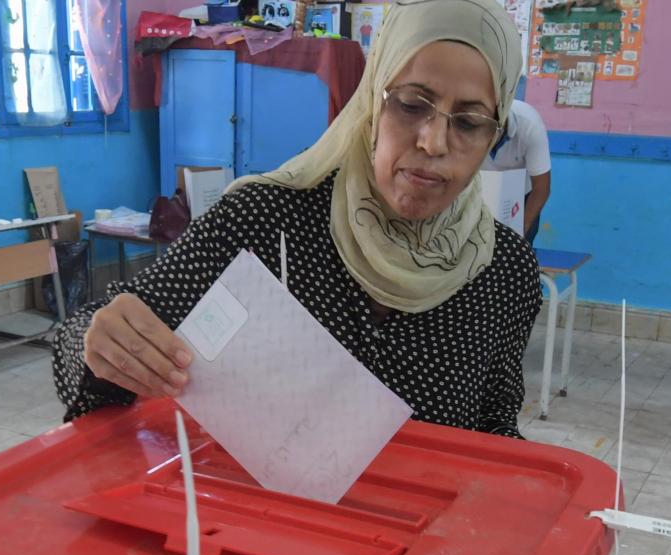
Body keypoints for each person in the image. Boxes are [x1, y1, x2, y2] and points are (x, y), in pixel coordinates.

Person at [53, 0, 542, 438]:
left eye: (469, 122)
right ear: (373, 101)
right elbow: (81, 342)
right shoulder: (262, 223)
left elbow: (495, 426)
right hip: (255, 529)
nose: (433, 142)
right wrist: (100, 343)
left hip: (415, 533)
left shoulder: (503, 271)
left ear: (493, 134)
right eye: (412, 105)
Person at [481, 99, 551, 244]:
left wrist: (520, 231)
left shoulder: (530, 126)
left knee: (517, 252)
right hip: (480, 191)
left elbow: (541, 188)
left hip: (522, 198)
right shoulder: (469, 123)